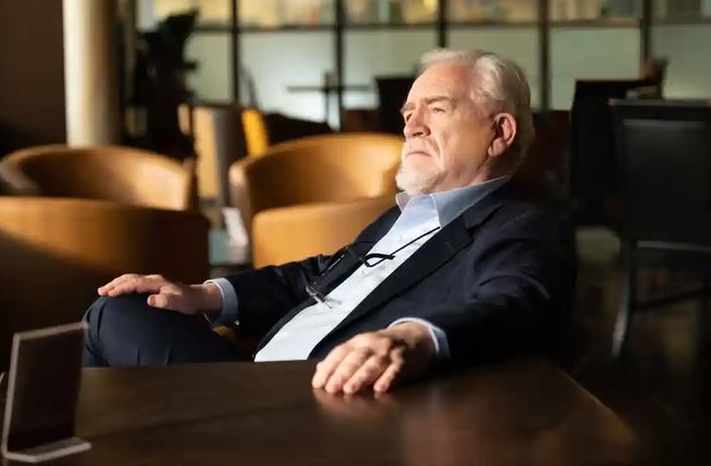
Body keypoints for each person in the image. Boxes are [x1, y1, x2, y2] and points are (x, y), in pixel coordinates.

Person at [82, 48, 575, 395]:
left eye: (437, 109)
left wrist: (415, 338)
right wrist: (206, 295)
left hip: (313, 400)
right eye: (409, 112)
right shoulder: (405, 216)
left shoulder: (520, 222)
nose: (412, 125)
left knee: (110, 317)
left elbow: (515, 303)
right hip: (254, 373)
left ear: (499, 133)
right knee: (126, 305)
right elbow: (321, 275)